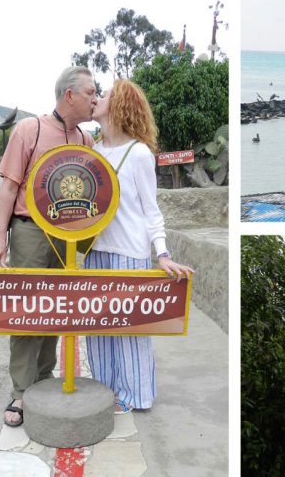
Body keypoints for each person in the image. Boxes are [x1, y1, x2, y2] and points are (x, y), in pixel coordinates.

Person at [0, 66, 97, 427]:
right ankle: (20, 391)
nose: (95, 99)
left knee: (57, 309)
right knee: (27, 310)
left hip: (67, 237)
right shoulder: (29, 129)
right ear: (69, 96)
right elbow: (10, 188)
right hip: (30, 230)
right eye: (91, 92)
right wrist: (0, 241)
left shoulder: (85, 140)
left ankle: (44, 379)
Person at [86, 78, 193, 414]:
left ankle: (135, 396)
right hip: (94, 252)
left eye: (103, 95)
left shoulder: (139, 154)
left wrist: (161, 254)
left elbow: (151, 210)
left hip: (128, 254)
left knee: (130, 331)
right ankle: (106, 391)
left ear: (118, 105)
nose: (97, 99)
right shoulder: (93, 150)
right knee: (97, 328)